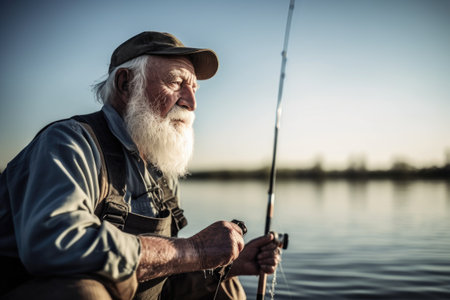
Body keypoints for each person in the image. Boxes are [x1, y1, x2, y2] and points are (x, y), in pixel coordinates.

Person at [0, 31, 281, 299]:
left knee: (224, 286)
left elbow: (160, 268)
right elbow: (54, 246)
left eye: (194, 88)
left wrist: (227, 263)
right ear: (126, 84)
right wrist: (194, 250)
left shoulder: (162, 172)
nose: (191, 101)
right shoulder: (69, 143)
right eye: (176, 83)